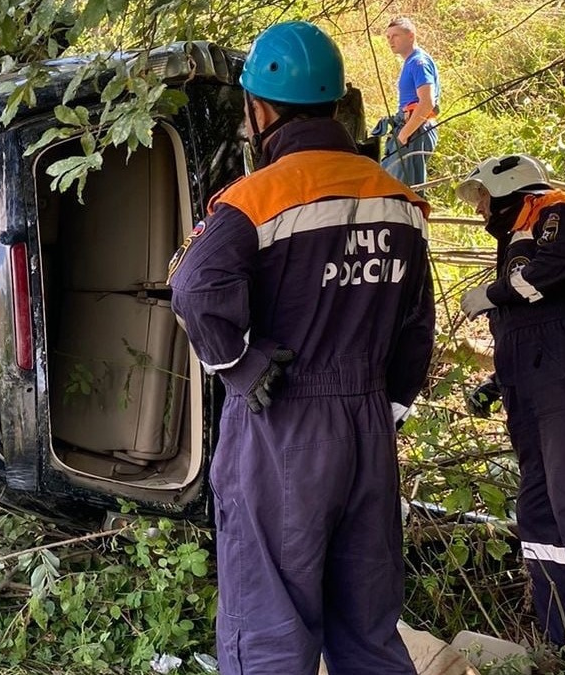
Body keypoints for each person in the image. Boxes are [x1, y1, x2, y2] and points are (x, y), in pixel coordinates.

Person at [167, 20, 435, 675]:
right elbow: (416, 326)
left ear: (260, 110)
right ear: (335, 102)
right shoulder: (398, 200)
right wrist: (385, 407)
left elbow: (195, 287)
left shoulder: (256, 199)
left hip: (283, 423)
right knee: (369, 630)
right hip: (367, 427)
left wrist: (238, 364)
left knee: (270, 631)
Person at [457, 154, 565, 651]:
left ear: (509, 188)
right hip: (532, 390)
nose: (480, 211)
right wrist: (496, 381)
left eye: (484, 199)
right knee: (539, 514)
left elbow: (562, 271)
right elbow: (533, 330)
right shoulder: (518, 238)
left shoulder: (559, 212)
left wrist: (495, 293)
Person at [381, 17, 440, 192]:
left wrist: (404, 135)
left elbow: (427, 102)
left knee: (405, 191)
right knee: (394, 184)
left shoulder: (418, 62)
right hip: (409, 128)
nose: (391, 41)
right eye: (388, 37)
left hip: (415, 130)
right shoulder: (411, 61)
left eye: (396, 36)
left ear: (411, 36)